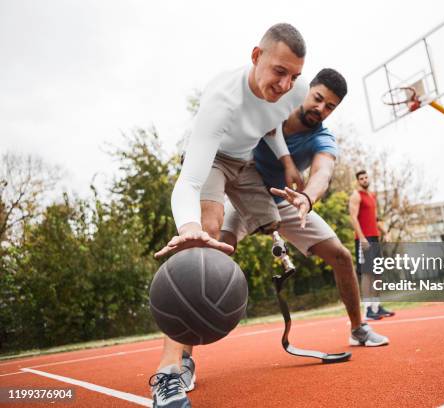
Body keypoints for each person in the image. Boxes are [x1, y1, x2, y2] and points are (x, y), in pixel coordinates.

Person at [151, 23, 308, 408]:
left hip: (248, 164)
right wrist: (188, 230)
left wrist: (286, 160)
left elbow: (271, 124)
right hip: (215, 161)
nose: (287, 84)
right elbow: (188, 181)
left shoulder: (296, 90)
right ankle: (172, 369)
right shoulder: (221, 100)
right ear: (256, 57)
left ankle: (238, 234)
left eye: (294, 75)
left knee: (275, 223)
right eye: (279, 72)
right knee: (205, 235)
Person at [221, 68, 389, 350]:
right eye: (318, 98)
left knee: (341, 256)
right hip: (245, 195)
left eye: (330, 107)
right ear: (306, 90)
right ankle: (183, 358)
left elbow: (323, 171)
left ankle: (358, 329)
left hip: (287, 200)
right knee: (214, 253)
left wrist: (307, 198)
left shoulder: (322, 138)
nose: (321, 108)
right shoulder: (273, 107)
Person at [349, 170, 395, 320]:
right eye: (361, 178)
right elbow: (353, 219)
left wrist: (386, 232)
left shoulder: (372, 196)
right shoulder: (356, 195)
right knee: (367, 273)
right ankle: (368, 310)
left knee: (377, 273)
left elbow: (375, 219)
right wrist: (362, 238)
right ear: (358, 181)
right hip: (364, 239)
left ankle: (377, 306)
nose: (364, 180)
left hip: (375, 237)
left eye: (366, 177)